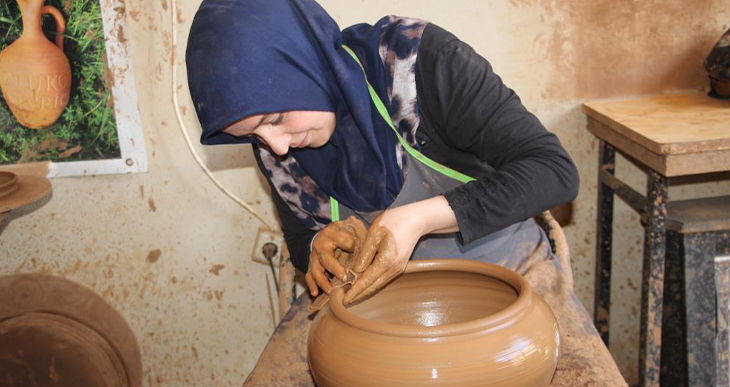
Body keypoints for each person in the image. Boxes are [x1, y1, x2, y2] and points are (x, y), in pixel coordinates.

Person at [185, 0, 579, 304]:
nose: (277, 146)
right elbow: (300, 240)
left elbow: (554, 171)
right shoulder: (274, 142)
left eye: (276, 118)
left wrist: (419, 218)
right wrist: (315, 250)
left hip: (509, 281)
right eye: (251, 136)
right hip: (387, 312)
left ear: (300, 67)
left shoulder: (416, 62)